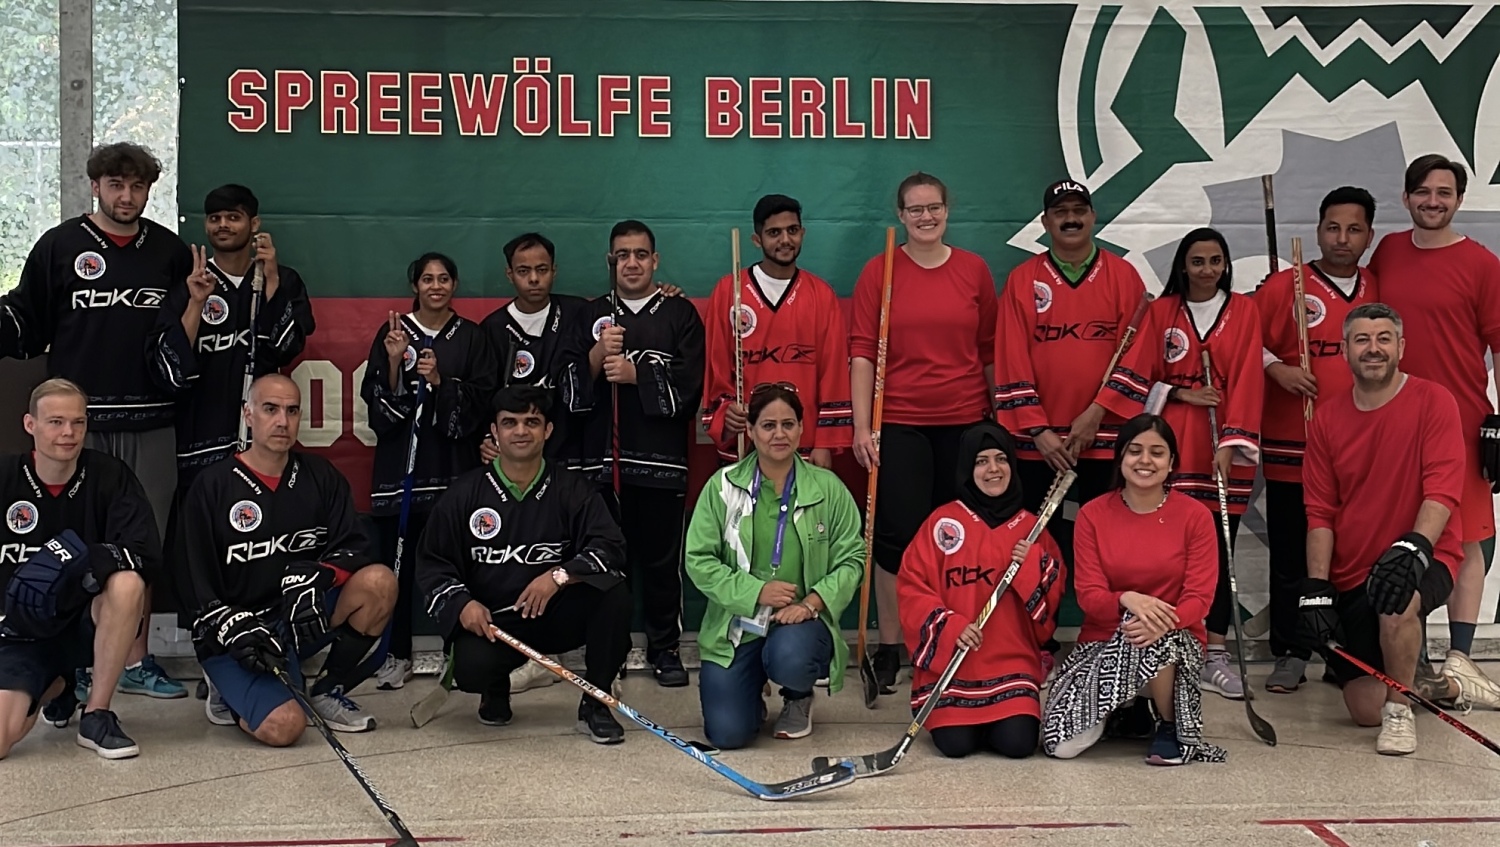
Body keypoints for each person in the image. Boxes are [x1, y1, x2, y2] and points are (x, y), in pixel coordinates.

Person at [1, 142, 191, 699]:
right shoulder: (60, 246)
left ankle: (135, 659)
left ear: (148, 190)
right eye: (115, 185)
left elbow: (188, 334)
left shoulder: (170, 252)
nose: (126, 196)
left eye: (136, 187)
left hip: (153, 419)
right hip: (78, 424)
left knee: (142, 543)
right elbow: (26, 321)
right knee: (74, 543)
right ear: (96, 187)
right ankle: (76, 661)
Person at [184, 374, 397, 743]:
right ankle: (228, 690)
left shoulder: (320, 476)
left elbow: (355, 546)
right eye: (270, 409)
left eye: (292, 410)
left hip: (298, 618)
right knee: (285, 727)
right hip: (239, 634)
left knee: (379, 583)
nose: (282, 421)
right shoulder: (213, 485)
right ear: (248, 415)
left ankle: (327, 689)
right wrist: (229, 626)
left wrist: (319, 577)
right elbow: (191, 580)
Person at [849, 172, 999, 692]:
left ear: (947, 210)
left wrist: (996, 421)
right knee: (896, 540)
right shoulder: (880, 271)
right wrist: (863, 424)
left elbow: (988, 351)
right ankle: (894, 644)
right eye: (915, 210)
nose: (926, 217)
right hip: (901, 422)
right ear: (900, 216)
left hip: (963, 421)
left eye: (934, 207)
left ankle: (955, 637)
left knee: (958, 540)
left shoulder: (973, 271)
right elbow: (863, 351)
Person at [415, 386, 632, 742]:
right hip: (496, 622)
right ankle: (495, 688)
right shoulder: (465, 494)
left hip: (556, 614)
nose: (520, 431)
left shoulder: (572, 489)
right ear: (495, 432)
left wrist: (559, 575)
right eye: (510, 422)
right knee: (471, 669)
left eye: (531, 422)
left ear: (547, 430)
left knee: (614, 595)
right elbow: (433, 563)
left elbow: (610, 547)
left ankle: (595, 701)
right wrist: (462, 603)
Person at [1101, 228, 1264, 700]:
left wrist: (1232, 444)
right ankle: (1170, 644)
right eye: (1198, 261)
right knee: (1171, 549)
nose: (1207, 270)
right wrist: (1182, 392)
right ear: (1183, 266)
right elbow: (1138, 376)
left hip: (1220, 448)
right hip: (1171, 446)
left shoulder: (1245, 311)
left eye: (1216, 260)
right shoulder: (1161, 311)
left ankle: (1215, 652)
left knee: (1216, 552)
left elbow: (1251, 380)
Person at [1300, 303, 1465, 754]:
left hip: (1427, 553)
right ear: (1346, 351)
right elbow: (1320, 511)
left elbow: (1443, 492)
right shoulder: (1328, 420)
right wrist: (1317, 584)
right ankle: (1435, 686)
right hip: (1354, 570)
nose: (1373, 349)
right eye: (1362, 340)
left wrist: (1414, 549)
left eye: (1383, 339)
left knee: (1397, 601)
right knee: (1362, 709)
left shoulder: (1434, 401)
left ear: (1400, 347)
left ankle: (1400, 712)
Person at [1368, 154, 1500, 708]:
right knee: (1405, 526)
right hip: (1397, 414)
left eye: (1444, 193)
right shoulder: (1389, 251)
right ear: (1406, 198)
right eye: (1422, 192)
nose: (1433, 201)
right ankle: (1410, 651)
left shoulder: (1482, 264)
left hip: (1464, 416)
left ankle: (1462, 658)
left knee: (1470, 534)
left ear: (1459, 201)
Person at [559, 220, 705, 688]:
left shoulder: (679, 313)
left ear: (655, 260)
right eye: (623, 254)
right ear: (610, 261)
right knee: (605, 564)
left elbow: (690, 387)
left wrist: (637, 374)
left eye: (641, 254)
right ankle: (610, 653)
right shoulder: (590, 315)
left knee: (661, 564)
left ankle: (664, 649)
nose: (632, 263)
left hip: (660, 464)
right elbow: (566, 392)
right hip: (602, 467)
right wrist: (600, 357)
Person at [684, 384, 864, 748]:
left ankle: (798, 695)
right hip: (737, 626)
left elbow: (853, 559)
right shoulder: (722, 487)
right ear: (750, 431)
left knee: (791, 657)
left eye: (788, 424)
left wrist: (811, 603)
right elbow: (698, 560)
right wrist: (756, 592)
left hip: (799, 624)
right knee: (728, 735)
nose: (779, 434)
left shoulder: (828, 489)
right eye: (768, 426)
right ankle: (749, 690)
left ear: (801, 428)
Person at [1041, 414, 1225, 766]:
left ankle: (1170, 727)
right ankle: (1127, 707)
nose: (1145, 461)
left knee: (1153, 631)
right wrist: (1127, 599)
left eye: (1157, 453)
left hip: (1174, 640)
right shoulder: (1093, 514)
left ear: (1171, 463)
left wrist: (1159, 618)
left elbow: (1199, 600)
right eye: (1135, 451)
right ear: (1120, 458)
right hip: (1103, 641)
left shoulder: (1196, 516)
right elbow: (1090, 597)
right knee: (1060, 745)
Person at [1253, 186, 1379, 693]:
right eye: (1333, 227)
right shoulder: (1285, 285)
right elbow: (1244, 339)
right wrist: (1277, 368)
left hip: (1360, 451)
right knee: (1291, 555)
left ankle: (1345, 653)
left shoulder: (1378, 285)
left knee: (1350, 557)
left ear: (1369, 234)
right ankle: (1291, 650)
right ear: (1319, 228)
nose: (1341, 238)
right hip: (1292, 447)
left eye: (1353, 229)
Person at [359, 252, 496, 691]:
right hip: (403, 473)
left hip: (454, 473)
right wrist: (397, 363)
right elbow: (378, 401)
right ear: (414, 285)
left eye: (443, 279)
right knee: (397, 570)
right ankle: (394, 654)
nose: (435, 286)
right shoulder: (394, 331)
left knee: (458, 568)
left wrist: (440, 383)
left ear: (454, 285)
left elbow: (481, 404)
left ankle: (458, 653)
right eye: (426, 279)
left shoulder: (472, 337)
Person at [0, 379, 156, 759]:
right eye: (55, 422)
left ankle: (97, 714)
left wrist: (82, 559)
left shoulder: (110, 476)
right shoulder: (5, 477)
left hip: (86, 625)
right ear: (29, 425)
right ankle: (57, 685)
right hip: (18, 632)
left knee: (127, 583)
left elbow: (144, 553)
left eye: (78, 422)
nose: (68, 433)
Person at [994, 179, 1147, 566]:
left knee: (1108, 542)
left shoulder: (1123, 276)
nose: (1071, 219)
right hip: (1041, 446)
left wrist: (1097, 413)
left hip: (1104, 436)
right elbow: (1011, 356)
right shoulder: (1022, 279)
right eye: (1061, 213)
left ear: (1093, 217)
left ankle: (1103, 624)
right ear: (1046, 222)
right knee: (1035, 545)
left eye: (1079, 211)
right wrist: (1038, 429)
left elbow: (1138, 356)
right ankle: (1038, 626)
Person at [896, 421, 1066, 759]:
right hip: (954, 664)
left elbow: (1053, 597)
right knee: (955, 745)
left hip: (1010, 663)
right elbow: (912, 587)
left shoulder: (1032, 529)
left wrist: (1031, 565)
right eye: (981, 461)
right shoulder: (942, 523)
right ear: (966, 468)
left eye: (1001, 459)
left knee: (1018, 744)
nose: (993, 469)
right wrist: (952, 626)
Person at [700, 194, 853, 468]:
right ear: (757, 240)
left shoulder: (821, 295)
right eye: (774, 233)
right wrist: (726, 413)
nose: (785, 240)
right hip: (747, 444)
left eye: (792, 231)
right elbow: (717, 368)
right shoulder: (729, 291)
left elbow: (834, 374)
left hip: (804, 448)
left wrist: (826, 443)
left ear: (802, 233)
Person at [480, 232, 592, 462]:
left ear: (554, 271)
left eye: (542, 270)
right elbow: (484, 393)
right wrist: (486, 437)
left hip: (573, 449)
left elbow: (623, 307)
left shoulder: (578, 313)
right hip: (516, 453)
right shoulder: (493, 328)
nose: (533, 278)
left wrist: (667, 294)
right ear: (509, 274)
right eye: (523, 271)